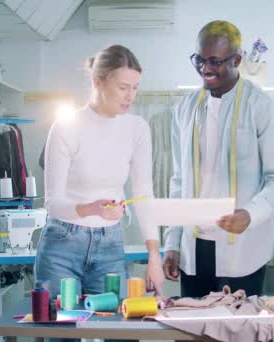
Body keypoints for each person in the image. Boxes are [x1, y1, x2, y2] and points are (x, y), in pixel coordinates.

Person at [162, 20, 274, 297]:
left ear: (237, 59)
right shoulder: (184, 109)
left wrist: (251, 214)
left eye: (215, 61)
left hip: (243, 250)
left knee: (238, 332)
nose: (205, 69)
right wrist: (172, 242)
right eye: (199, 60)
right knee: (190, 333)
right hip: (193, 249)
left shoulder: (263, 107)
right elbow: (179, 181)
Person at [35, 45, 165, 324]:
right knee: (61, 332)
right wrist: (89, 208)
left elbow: (143, 195)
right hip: (62, 244)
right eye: (123, 87)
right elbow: (53, 202)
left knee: (119, 329)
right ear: (98, 82)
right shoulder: (66, 126)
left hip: (110, 245)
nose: (131, 96)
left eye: (135, 88)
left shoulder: (137, 128)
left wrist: (154, 255)